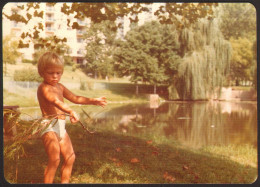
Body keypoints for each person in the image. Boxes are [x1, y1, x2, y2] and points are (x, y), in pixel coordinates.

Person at [37, 51, 107, 183]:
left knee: (70, 157)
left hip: (61, 126)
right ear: (42, 72)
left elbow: (75, 98)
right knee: (54, 159)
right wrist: (71, 111)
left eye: (58, 73)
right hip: (49, 126)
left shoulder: (60, 87)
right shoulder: (44, 88)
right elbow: (56, 102)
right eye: (51, 73)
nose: (55, 76)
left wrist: (93, 100)